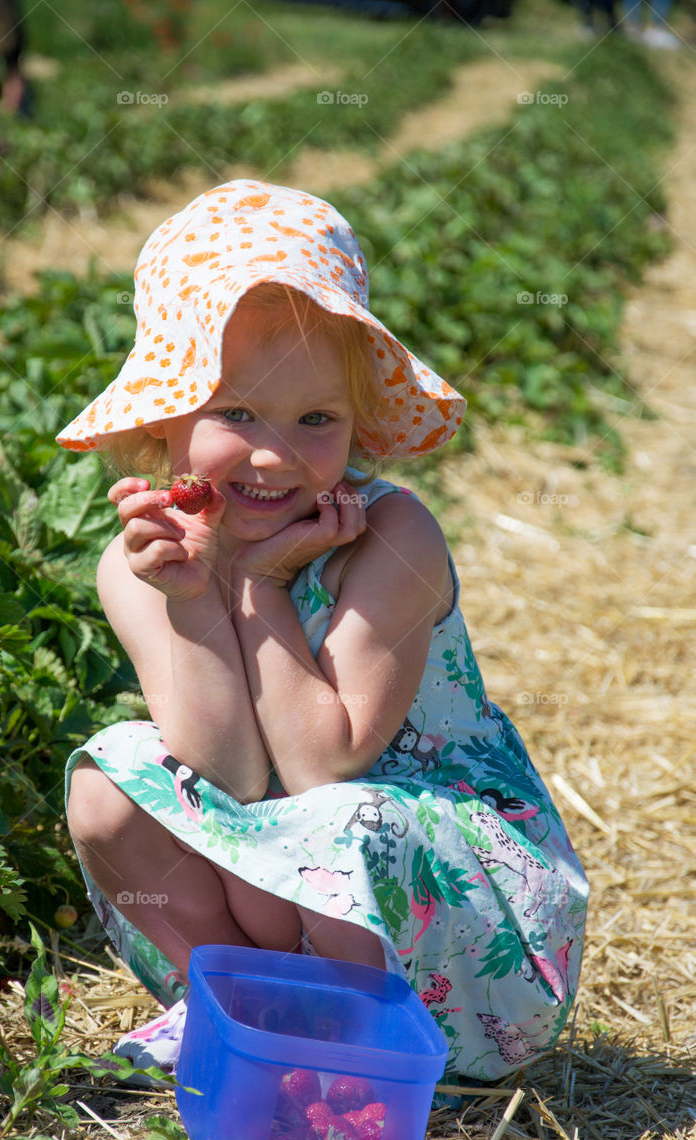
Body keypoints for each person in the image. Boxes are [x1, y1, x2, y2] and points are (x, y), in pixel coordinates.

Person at [59, 179, 589, 1090]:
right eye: (235, 414)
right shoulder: (143, 561)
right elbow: (226, 772)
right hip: (279, 881)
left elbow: (321, 764)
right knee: (108, 787)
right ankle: (244, 1011)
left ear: (355, 426)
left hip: (452, 936)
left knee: (336, 819)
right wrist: (195, 598)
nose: (274, 456)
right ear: (166, 419)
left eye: (317, 420)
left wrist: (261, 589)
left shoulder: (390, 534)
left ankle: (350, 1052)